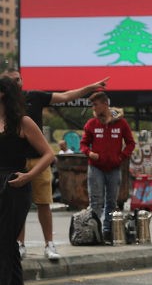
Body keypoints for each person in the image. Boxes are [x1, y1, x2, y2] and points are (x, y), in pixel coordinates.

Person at [4, 69, 107, 264]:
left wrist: (89, 88)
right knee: (17, 207)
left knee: (43, 203)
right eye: (11, 81)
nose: (16, 84)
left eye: (18, 80)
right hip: (15, 162)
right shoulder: (4, 107)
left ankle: (49, 244)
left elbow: (66, 96)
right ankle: (20, 244)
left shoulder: (34, 97)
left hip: (38, 159)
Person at [0, 77, 56, 285]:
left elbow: (48, 154)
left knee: (2, 244)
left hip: (14, 186)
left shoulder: (22, 122)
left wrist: (29, 177)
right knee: (7, 246)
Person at [79, 91, 136, 242]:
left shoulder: (121, 123)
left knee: (112, 202)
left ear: (105, 104)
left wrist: (121, 157)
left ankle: (107, 231)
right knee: (96, 201)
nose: (94, 108)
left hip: (114, 169)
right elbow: (83, 144)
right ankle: (94, 232)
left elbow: (131, 143)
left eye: (95, 104)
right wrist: (89, 153)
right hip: (95, 168)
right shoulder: (91, 124)